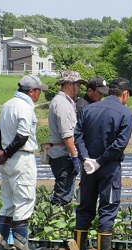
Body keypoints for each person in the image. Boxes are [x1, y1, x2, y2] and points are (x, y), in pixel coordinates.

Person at [74, 77, 132, 250]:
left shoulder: (88, 109)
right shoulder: (126, 114)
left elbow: (78, 135)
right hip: (108, 167)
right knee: (108, 205)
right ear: (124, 94)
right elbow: (120, 144)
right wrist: (99, 161)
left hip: (88, 168)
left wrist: (86, 159)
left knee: (85, 205)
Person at [0, 75, 48, 250]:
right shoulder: (25, 107)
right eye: (39, 90)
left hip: (7, 160)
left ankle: (0, 243)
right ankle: (22, 244)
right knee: (24, 199)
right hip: (21, 157)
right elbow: (23, 136)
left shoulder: (8, 104)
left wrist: (0, 152)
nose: (40, 94)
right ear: (31, 91)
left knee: (8, 201)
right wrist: (6, 153)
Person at [48, 71, 87, 206]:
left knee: (64, 192)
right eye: (78, 84)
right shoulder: (62, 104)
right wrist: (74, 157)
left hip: (62, 154)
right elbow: (67, 134)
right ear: (70, 84)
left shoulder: (66, 102)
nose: (80, 88)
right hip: (64, 155)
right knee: (62, 196)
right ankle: (55, 222)